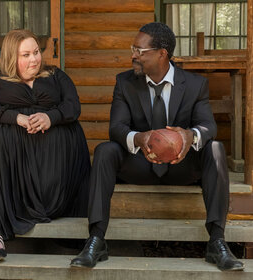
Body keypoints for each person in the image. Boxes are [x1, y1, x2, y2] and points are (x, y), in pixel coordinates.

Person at [70, 22, 244, 271]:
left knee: (215, 148)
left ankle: (216, 241)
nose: (133, 55)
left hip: (181, 167)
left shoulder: (195, 84)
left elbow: (208, 127)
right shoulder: (125, 82)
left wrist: (188, 136)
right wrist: (140, 138)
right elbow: (116, 128)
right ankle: (96, 239)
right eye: (133, 49)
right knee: (105, 150)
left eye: (140, 51)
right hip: (140, 165)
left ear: (162, 53)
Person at [0, 29, 90, 262]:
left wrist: (51, 117)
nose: (34, 59)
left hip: (51, 160)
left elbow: (73, 106)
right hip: (8, 158)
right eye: (26, 55)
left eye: (36, 52)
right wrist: (17, 118)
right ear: (12, 57)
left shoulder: (55, 75)